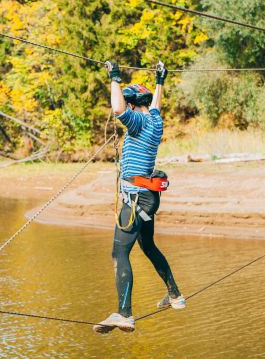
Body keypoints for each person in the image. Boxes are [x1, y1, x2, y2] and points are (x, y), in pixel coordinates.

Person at [93, 61, 185, 334]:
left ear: (134, 104)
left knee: (119, 252)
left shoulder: (138, 121)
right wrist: (160, 82)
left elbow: (118, 108)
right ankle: (175, 296)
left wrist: (114, 77)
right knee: (148, 246)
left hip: (135, 200)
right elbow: (154, 104)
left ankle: (124, 314)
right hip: (148, 200)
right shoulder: (155, 120)